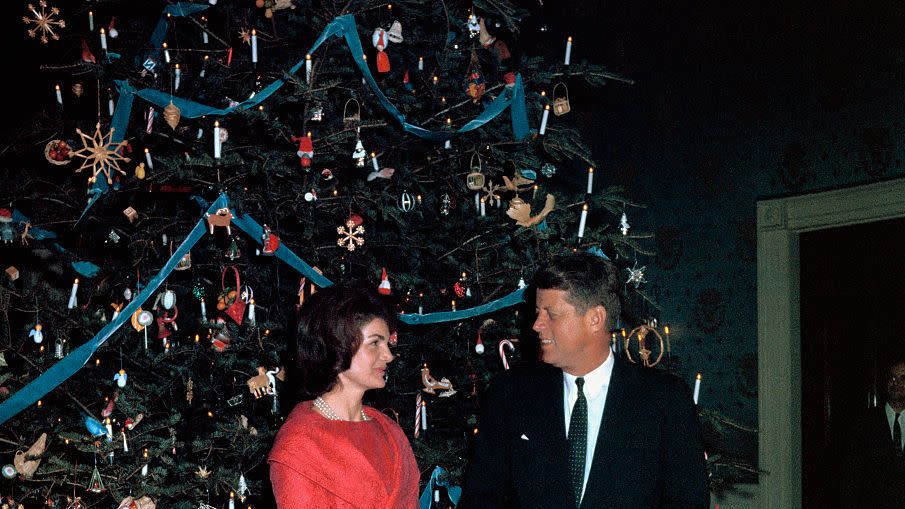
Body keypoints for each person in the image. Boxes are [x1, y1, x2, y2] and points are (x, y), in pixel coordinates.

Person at [459, 253, 709, 509]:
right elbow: (480, 499)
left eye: (551, 314)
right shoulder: (511, 394)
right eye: (537, 312)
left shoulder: (664, 400)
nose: (536, 325)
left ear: (595, 319)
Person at [268, 285, 419, 508]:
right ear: (337, 345)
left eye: (387, 344)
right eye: (375, 343)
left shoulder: (390, 432)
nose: (388, 356)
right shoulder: (299, 445)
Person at [841, 359, 905, 508]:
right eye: (892, 378)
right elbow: (851, 479)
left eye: (903, 379)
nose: (896, 384)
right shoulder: (864, 424)